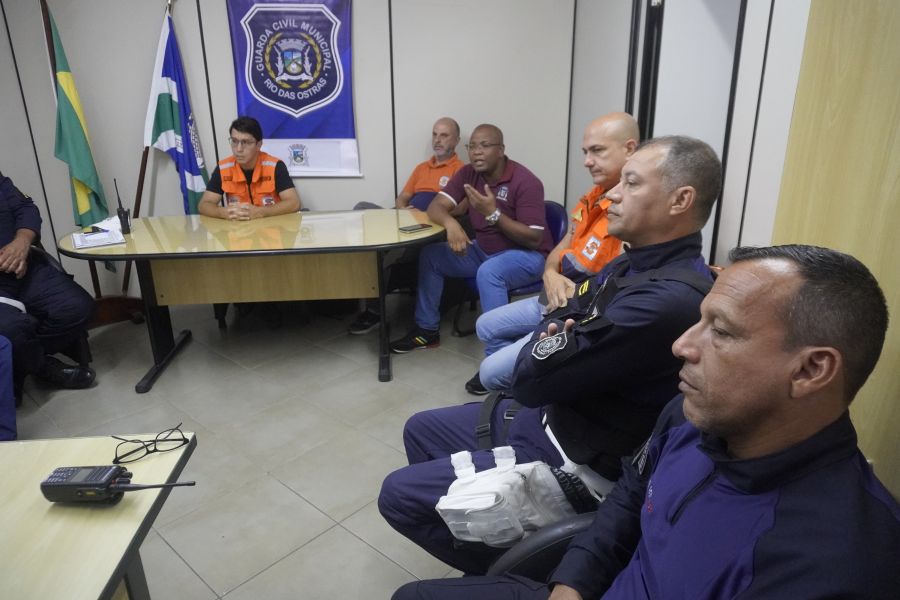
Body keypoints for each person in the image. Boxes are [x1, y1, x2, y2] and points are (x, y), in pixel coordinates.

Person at [391, 244, 900, 599]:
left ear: (810, 370)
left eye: (720, 332)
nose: (682, 345)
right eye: (700, 321)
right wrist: (574, 581)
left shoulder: (839, 564)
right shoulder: (689, 416)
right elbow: (631, 498)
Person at [379, 136, 721, 575]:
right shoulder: (633, 263)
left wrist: (553, 333)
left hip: (573, 459)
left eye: (631, 183)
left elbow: (529, 380)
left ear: (680, 200)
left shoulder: (664, 302)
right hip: (549, 418)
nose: (613, 194)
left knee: (397, 495)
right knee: (420, 429)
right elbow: (564, 310)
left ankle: (512, 574)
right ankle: (483, 532)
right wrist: (555, 332)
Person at [467, 113, 638, 394]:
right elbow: (562, 246)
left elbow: (617, 289)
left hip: (578, 309)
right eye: (585, 152)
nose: (587, 161)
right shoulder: (593, 195)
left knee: (489, 372)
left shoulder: (633, 208)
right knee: (485, 325)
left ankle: (520, 380)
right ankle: (520, 379)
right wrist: (549, 273)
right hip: (555, 294)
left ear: (629, 149)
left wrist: (564, 316)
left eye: (597, 151)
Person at [390, 124, 552, 353]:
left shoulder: (525, 181)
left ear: (501, 150)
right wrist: (451, 224)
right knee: (431, 256)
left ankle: (497, 353)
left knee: (490, 272)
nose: (477, 152)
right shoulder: (468, 174)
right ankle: (426, 331)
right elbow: (436, 207)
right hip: (483, 251)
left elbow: (533, 238)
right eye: (472, 146)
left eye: (485, 146)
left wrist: (493, 214)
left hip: (527, 257)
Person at [348, 117, 465, 335]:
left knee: (385, 254)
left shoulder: (460, 170)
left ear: (456, 140)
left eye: (444, 135)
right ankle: (354, 279)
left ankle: (374, 312)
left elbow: (462, 208)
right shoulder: (422, 168)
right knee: (362, 208)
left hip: (428, 227)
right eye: (434, 134)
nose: (437, 140)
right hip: (405, 218)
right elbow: (402, 197)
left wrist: (429, 212)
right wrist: (403, 209)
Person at [0, 173, 96, 396]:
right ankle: (43, 367)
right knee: (12, 329)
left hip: (24, 268)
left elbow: (26, 208)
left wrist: (21, 243)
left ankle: (25, 361)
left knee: (78, 307)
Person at [198, 116, 301, 220]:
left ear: (258, 145)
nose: (239, 149)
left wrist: (261, 212)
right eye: (234, 141)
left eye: (246, 142)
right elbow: (204, 205)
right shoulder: (223, 168)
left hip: (271, 226)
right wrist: (223, 213)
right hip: (238, 228)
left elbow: (294, 203)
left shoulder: (275, 166)